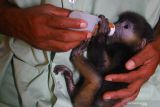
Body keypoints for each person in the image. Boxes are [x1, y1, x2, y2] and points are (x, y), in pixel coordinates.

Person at [0, 0, 159, 107]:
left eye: (124, 27)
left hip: (135, 99)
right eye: (120, 22)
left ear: (141, 43)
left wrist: (158, 46)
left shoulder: (121, 50)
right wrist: (10, 20)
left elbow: (102, 64)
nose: (116, 26)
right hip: (16, 89)